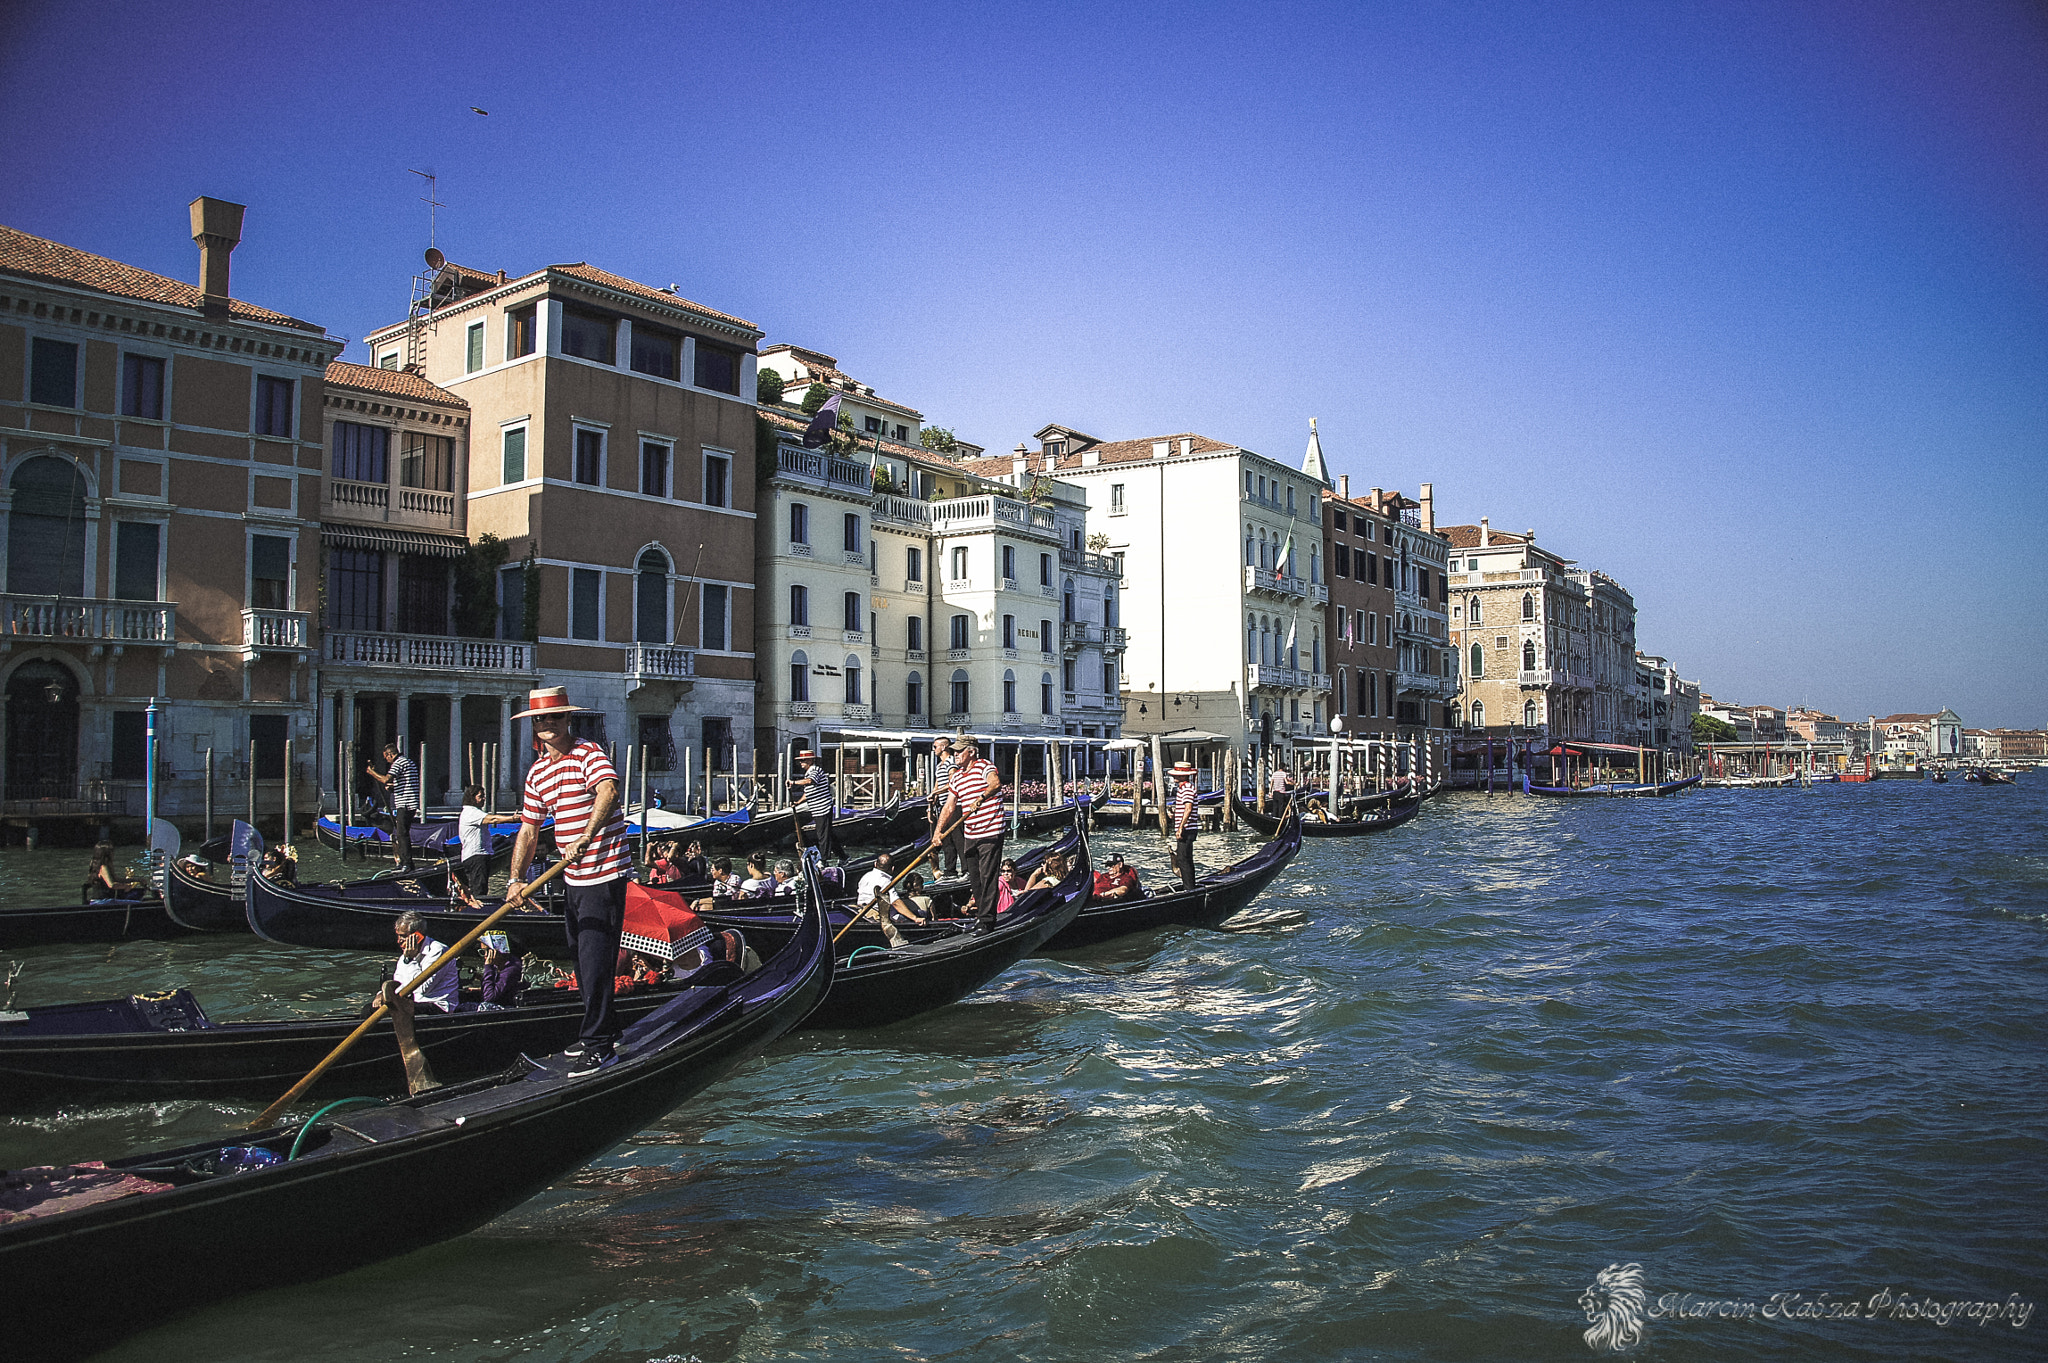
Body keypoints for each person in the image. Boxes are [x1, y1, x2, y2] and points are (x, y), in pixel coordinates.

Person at [503, 686, 631, 1077]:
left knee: (595, 960)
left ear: (567, 719)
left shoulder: (589, 753)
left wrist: (587, 835)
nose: (547, 724)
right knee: (579, 957)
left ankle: (598, 1046)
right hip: (572, 878)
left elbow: (608, 791)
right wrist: (514, 879)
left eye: (554, 717)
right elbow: (528, 829)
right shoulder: (538, 772)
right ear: (533, 725)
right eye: (540, 719)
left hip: (604, 872)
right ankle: (605, 1030)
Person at [936, 734, 1005, 932]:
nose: (955, 754)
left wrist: (981, 797)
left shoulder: (985, 766)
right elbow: (949, 807)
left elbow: (995, 783)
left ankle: (987, 920)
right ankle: (981, 915)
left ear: (971, 752)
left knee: (987, 876)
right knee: (974, 878)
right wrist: (938, 833)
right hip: (971, 832)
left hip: (991, 830)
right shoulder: (956, 777)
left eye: (959, 751)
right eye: (955, 751)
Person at [366, 740, 422, 873]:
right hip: (409, 802)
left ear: (389, 754)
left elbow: (386, 779)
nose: (387, 761)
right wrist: (393, 787)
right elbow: (405, 783)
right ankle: (404, 862)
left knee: (402, 834)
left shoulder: (399, 763)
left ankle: (407, 864)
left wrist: (372, 772)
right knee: (401, 833)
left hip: (406, 804)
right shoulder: (408, 762)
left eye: (386, 758)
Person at [391, 910, 459, 1013]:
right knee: (369, 1010)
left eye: (404, 936)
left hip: (437, 1005)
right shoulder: (404, 957)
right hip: (413, 1003)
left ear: (418, 935)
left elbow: (422, 988)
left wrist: (411, 960)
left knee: (400, 1011)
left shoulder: (439, 951)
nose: (399, 941)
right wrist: (382, 995)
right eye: (398, 936)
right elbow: (399, 985)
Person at [927, 737, 962, 877]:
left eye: (935, 746)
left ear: (943, 747)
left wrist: (935, 792)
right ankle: (950, 871)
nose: (933, 749)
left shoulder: (951, 762)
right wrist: (930, 806)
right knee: (946, 840)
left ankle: (966, 870)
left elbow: (952, 783)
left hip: (954, 806)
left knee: (958, 838)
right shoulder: (939, 765)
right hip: (942, 807)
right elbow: (937, 786)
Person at [454, 784, 491, 906]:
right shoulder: (472, 812)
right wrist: (514, 819)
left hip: (474, 855)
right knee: (479, 889)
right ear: (472, 798)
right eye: (481, 797)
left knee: (479, 886)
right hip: (477, 855)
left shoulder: (471, 812)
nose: (484, 799)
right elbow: (493, 819)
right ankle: (479, 910)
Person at [1170, 760, 1200, 890]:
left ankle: (1189, 888)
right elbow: (1185, 808)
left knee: (1183, 860)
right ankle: (1189, 886)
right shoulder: (1184, 789)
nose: (1173, 777)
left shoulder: (1187, 788)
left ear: (1182, 776)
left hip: (1187, 829)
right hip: (1187, 828)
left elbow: (1188, 808)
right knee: (1185, 858)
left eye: (1176, 775)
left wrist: (1181, 827)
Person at [474, 930, 523, 1010]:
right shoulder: (498, 964)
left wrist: (488, 967)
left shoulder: (511, 969)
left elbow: (489, 998)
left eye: (488, 951)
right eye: (483, 951)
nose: (485, 955)